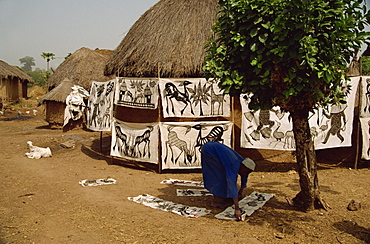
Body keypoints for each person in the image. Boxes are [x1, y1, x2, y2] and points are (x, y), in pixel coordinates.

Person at [201, 141, 255, 220]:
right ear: (243, 167)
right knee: (219, 176)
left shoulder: (243, 164)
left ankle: (226, 196)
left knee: (223, 175)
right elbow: (232, 184)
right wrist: (237, 208)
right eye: (245, 172)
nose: (244, 173)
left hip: (213, 147)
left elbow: (244, 175)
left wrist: (241, 190)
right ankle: (216, 201)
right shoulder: (234, 166)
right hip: (209, 151)